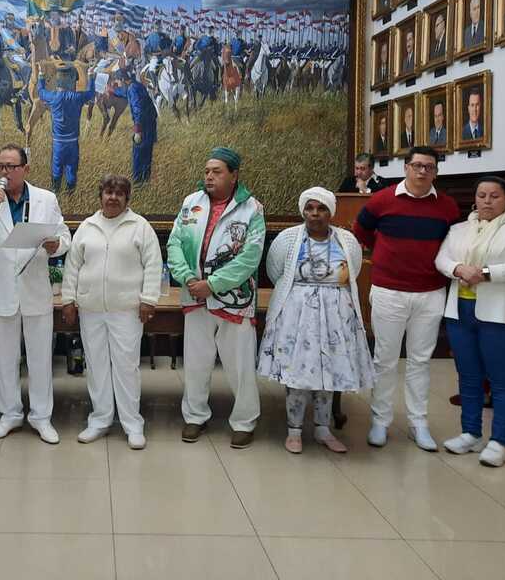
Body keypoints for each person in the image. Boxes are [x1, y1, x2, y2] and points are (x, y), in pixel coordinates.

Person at [354, 146, 460, 451]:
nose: (422, 171)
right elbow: (362, 231)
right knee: (385, 360)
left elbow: (452, 244)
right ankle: (380, 422)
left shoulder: (448, 207)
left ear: (436, 172)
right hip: (389, 290)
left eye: (429, 167)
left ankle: (418, 423)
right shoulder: (382, 200)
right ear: (406, 168)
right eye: (417, 165)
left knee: (420, 361)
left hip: (430, 293)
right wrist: (388, 255)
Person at [0, 144, 71, 444]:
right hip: (1, 290)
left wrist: (56, 246)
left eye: (11, 166)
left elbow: (64, 236)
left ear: (25, 168)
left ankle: (41, 417)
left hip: (35, 289)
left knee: (40, 358)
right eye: (0, 166)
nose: (5, 172)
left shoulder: (46, 199)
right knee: (5, 358)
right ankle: (9, 414)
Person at [435, 176, 505, 467]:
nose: (487, 201)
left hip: (502, 316)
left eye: (494, 196)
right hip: (461, 312)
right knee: (468, 378)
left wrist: (485, 272)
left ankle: (499, 441)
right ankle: (470, 433)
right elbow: (441, 259)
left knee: (502, 381)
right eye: (482, 195)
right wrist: (458, 268)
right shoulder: (459, 229)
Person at [260, 188, 374, 454]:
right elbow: (275, 271)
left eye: (321, 208)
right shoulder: (288, 239)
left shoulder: (347, 240)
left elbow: (353, 271)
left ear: (330, 212)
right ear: (303, 211)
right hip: (297, 314)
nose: (314, 214)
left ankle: (323, 429)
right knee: (297, 373)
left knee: (329, 373)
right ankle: (294, 431)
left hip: (336, 314)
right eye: (309, 208)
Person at [166, 147, 266, 449]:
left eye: (217, 171)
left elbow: (250, 257)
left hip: (233, 298)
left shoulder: (252, 209)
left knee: (239, 365)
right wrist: (188, 278)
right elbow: (174, 243)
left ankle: (244, 421)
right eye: (207, 171)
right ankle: (195, 417)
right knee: (196, 362)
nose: (209, 176)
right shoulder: (191, 203)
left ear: (234, 175)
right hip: (195, 295)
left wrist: (214, 284)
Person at [61, 175, 162, 450]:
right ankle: (100, 420)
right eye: (108, 192)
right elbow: (72, 266)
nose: (113, 197)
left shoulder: (139, 226)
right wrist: (68, 300)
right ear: (101, 195)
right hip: (91, 309)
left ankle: (133, 424)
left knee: (126, 367)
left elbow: (153, 265)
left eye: (119, 193)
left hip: (127, 310)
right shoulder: (87, 227)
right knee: (96, 366)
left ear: (127, 198)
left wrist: (149, 299)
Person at [36, 68, 97, 193]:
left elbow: (40, 92)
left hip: (58, 142)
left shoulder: (52, 97)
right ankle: (70, 195)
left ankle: (56, 192)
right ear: (71, 82)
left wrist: (41, 75)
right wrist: (91, 76)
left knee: (56, 169)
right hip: (73, 142)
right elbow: (91, 93)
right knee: (72, 169)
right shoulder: (77, 97)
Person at [112, 70, 158, 183]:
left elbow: (138, 109)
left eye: (118, 82)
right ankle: (145, 181)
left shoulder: (132, 89)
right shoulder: (135, 85)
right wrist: (113, 90)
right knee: (147, 156)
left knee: (138, 155)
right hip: (150, 124)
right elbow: (124, 92)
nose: (118, 84)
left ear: (123, 80)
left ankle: (138, 183)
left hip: (143, 126)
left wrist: (137, 130)